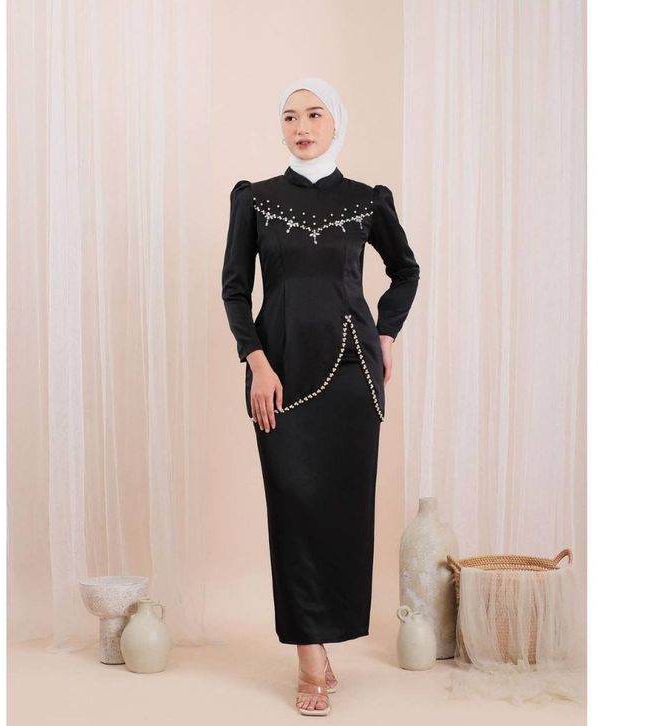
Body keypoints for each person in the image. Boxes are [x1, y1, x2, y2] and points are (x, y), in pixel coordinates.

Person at [221, 77, 420, 716]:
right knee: (292, 509)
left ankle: (321, 640)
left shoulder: (367, 200)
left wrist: (385, 333)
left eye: (313, 115)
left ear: (336, 122)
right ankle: (308, 657)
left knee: (341, 511)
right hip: (279, 376)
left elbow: (405, 270)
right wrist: (256, 362)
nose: (301, 127)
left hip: (353, 377)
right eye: (289, 116)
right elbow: (234, 289)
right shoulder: (255, 199)